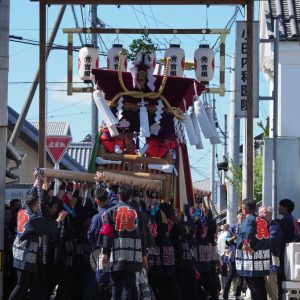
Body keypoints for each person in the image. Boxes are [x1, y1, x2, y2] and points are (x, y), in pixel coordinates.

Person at [9, 189, 68, 300]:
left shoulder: (23, 209)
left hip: (20, 253)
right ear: (36, 203)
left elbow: (33, 191)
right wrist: (59, 219)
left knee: (30, 283)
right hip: (24, 256)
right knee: (21, 285)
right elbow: (49, 228)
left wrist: (39, 180)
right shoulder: (34, 219)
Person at [100, 184, 147, 300]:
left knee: (115, 287)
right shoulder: (138, 214)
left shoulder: (110, 212)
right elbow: (143, 235)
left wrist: (105, 252)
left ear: (118, 195)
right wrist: (144, 255)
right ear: (130, 196)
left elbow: (106, 234)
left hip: (115, 255)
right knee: (128, 287)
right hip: (132, 255)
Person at [235, 199, 271, 300]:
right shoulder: (263, 220)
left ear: (244, 208)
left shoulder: (248, 220)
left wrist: (246, 243)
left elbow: (247, 231)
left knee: (254, 287)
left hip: (251, 259)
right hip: (262, 257)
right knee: (260, 285)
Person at [87, 186, 111, 299]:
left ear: (96, 200)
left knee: (99, 280)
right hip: (113, 251)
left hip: (99, 251)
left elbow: (91, 235)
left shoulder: (96, 217)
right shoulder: (113, 214)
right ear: (108, 199)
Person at [258, 205, 281, 300]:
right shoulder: (259, 226)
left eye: (263, 212)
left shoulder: (275, 227)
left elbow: (269, 242)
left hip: (270, 262)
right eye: (259, 213)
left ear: (270, 215)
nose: (260, 215)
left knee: (272, 289)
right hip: (259, 261)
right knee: (260, 289)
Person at [223, 212, 245, 300]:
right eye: (239, 214)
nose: (241, 216)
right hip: (234, 253)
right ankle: (225, 293)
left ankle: (238, 294)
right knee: (231, 274)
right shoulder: (233, 227)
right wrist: (233, 238)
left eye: (243, 215)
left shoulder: (246, 226)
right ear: (237, 216)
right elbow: (227, 241)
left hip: (243, 254)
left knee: (241, 275)